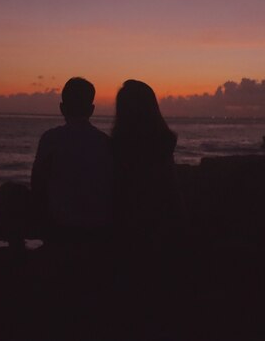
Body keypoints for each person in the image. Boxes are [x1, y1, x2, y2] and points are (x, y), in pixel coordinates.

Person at [111, 79, 186, 339]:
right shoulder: (161, 145)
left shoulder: (117, 149)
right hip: (161, 233)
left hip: (126, 235)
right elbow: (172, 194)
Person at [31, 76, 114, 242]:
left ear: (62, 108)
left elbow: (37, 184)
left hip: (59, 227)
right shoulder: (106, 142)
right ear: (91, 110)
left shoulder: (50, 139)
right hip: (98, 229)